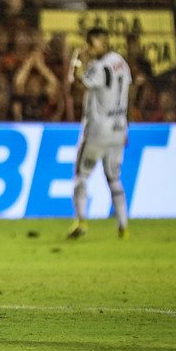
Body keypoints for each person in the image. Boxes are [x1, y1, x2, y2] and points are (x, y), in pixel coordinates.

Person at [68, 28, 132, 240]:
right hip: (119, 128)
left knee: (81, 176)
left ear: (102, 43)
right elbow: (126, 92)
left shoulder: (98, 67)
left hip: (98, 130)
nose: (89, 48)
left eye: (91, 44)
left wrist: (77, 62)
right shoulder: (121, 62)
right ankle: (123, 226)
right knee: (114, 178)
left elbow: (75, 86)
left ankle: (82, 221)